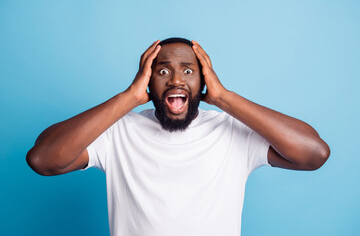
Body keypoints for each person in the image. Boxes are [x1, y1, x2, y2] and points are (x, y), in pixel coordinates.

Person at [26, 37, 330, 236]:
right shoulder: (118, 132)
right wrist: (129, 98)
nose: (175, 79)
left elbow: (313, 153)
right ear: (146, 80)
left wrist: (224, 98)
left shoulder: (232, 132)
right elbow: (43, 159)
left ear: (203, 80)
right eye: (162, 72)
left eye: (188, 71)